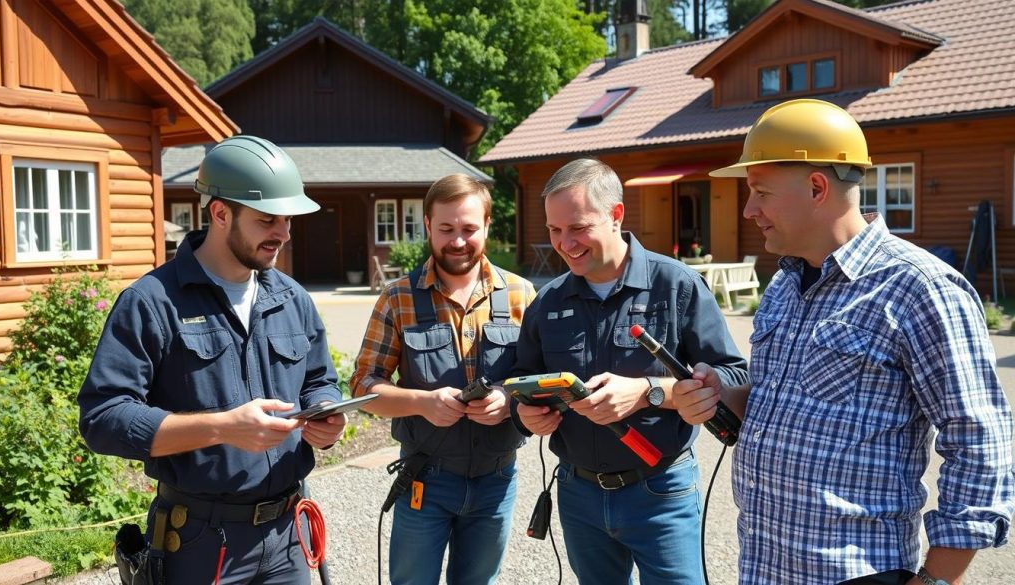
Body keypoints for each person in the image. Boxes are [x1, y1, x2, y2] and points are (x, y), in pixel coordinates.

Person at [695, 98, 1015, 585]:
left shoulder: (918, 287)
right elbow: (778, 409)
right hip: (764, 567)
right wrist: (720, 396)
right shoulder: (783, 285)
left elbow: (981, 444)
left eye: (759, 191)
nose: (748, 209)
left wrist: (934, 581)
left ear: (817, 187)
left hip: (857, 575)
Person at [79, 135, 346, 584]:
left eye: (287, 220)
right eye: (267, 220)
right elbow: (102, 419)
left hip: (289, 535)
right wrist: (223, 428)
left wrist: (326, 417)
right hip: (201, 541)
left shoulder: (292, 298)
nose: (282, 233)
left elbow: (320, 379)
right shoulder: (152, 302)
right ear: (221, 213)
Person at [511, 158, 749, 585]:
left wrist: (648, 392)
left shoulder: (676, 285)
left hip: (660, 490)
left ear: (616, 215)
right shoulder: (546, 303)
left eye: (578, 227)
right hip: (578, 493)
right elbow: (521, 384)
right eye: (554, 230)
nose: (565, 243)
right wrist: (526, 415)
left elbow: (733, 378)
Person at [349, 174, 536, 585]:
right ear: (429, 227)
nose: (457, 241)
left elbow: (541, 381)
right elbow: (363, 387)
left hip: (497, 481)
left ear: (488, 225)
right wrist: (421, 402)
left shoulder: (522, 294)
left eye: (469, 229)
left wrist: (509, 400)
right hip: (425, 482)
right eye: (446, 229)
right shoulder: (397, 297)